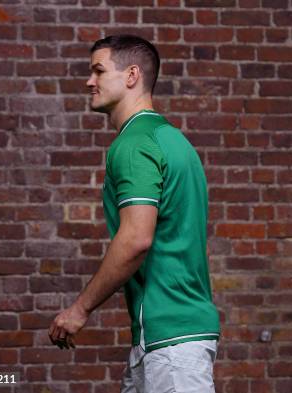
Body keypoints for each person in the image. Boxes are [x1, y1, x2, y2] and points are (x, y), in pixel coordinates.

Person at [48, 35, 220, 393]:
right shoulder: (172, 140)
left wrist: (79, 309)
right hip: (167, 339)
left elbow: (137, 238)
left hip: (170, 343)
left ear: (131, 76)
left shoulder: (133, 143)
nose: (88, 81)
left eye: (98, 70)